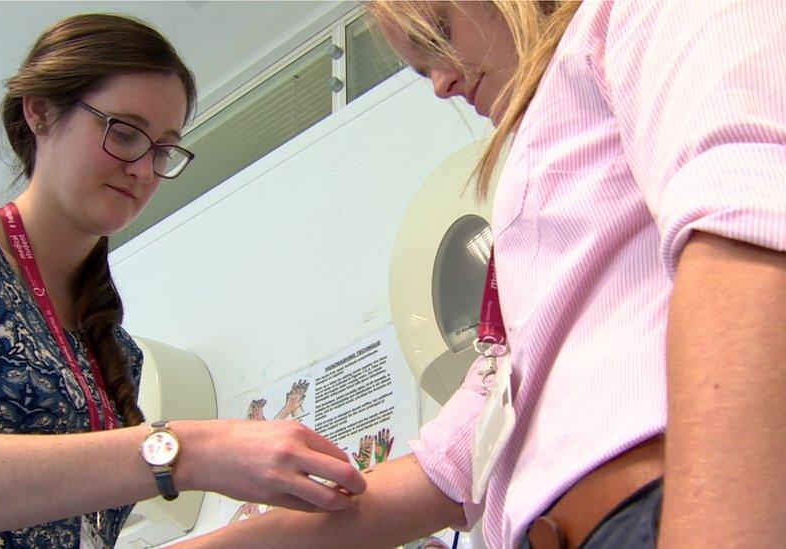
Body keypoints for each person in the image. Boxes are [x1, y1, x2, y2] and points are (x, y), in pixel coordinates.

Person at [174, 1, 786, 547]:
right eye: (420, 70)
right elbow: (451, 465)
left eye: (439, 33)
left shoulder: (633, 15)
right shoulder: (534, 269)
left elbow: (749, 234)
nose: (440, 83)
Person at [0, 13, 365, 548]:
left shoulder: (117, 353)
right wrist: (187, 450)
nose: (145, 170)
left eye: (164, 149)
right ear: (40, 112)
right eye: (125, 134)